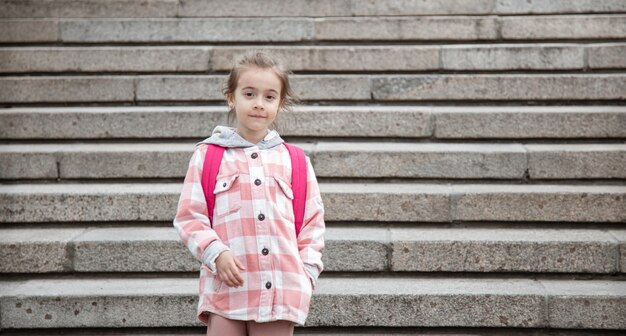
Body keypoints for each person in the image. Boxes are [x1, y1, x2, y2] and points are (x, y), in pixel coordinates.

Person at [173, 51, 325, 336]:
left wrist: (306, 274)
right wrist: (215, 252)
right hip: (226, 288)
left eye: (269, 97)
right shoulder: (208, 156)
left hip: (281, 289)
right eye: (249, 94)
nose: (259, 104)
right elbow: (189, 217)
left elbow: (312, 223)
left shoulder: (295, 160)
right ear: (232, 97)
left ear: (280, 103)